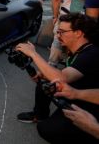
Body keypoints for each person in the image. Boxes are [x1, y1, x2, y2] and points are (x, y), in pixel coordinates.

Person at [15, 13, 99, 144]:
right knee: (46, 81)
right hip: (78, 92)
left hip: (91, 102)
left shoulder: (92, 53)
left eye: (62, 32)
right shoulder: (80, 50)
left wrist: (33, 53)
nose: (58, 35)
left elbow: (62, 77)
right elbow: (68, 73)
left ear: (78, 33)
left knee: (46, 130)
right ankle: (40, 115)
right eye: (57, 31)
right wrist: (45, 74)